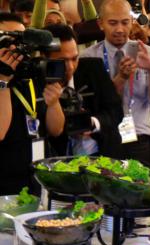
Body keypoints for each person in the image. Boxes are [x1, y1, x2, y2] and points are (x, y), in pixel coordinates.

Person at [80, 0, 150, 169]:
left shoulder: (148, 53)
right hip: (104, 137)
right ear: (101, 23)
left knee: (138, 190)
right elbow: (95, 104)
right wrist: (121, 78)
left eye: (125, 22)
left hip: (139, 135)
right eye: (113, 23)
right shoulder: (88, 58)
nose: (119, 29)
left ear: (132, 22)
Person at [0, 13, 64, 195]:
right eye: (8, 41)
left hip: (37, 176)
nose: (16, 48)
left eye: (22, 42)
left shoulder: (34, 74)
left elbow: (56, 130)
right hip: (5, 182)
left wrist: (53, 104)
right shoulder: (2, 80)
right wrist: (3, 81)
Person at [43, 23, 123, 158]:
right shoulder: (36, 82)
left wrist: (92, 123)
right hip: (57, 159)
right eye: (62, 60)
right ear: (45, 58)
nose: (70, 66)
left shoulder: (94, 69)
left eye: (74, 58)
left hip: (101, 155)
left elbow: (116, 111)